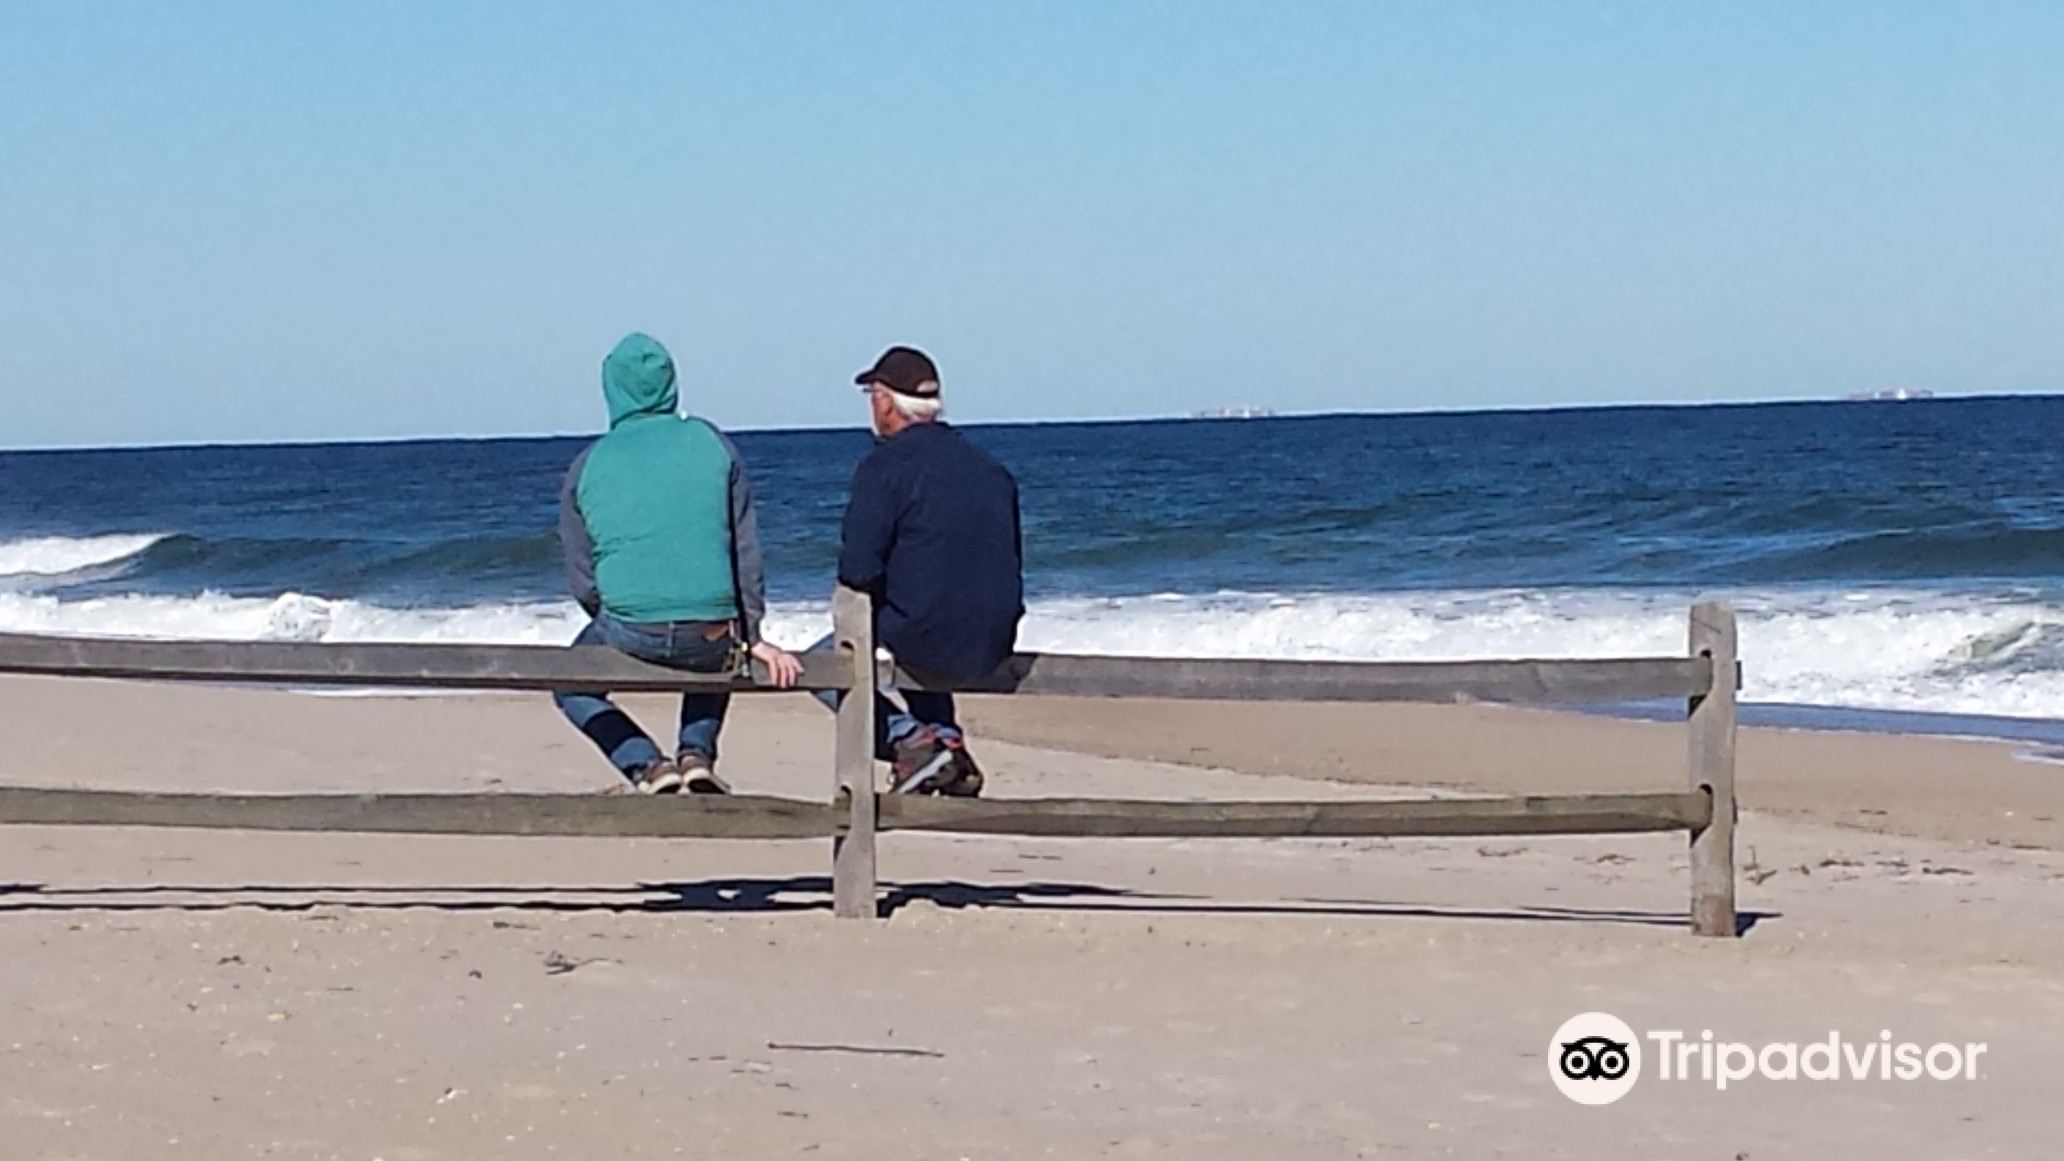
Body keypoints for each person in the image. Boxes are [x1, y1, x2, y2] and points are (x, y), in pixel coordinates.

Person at [554, 332, 802, 795]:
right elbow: (744, 553)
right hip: (711, 633)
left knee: (569, 686)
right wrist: (755, 637)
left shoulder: (588, 464)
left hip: (630, 628)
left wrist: (623, 615)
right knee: (720, 642)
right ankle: (696, 753)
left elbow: (583, 578)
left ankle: (646, 764)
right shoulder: (712, 443)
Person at [821, 345, 1024, 795]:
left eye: (873, 393)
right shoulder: (990, 469)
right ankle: (948, 742)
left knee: (823, 662)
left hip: (927, 634)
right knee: (921, 612)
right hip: (993, 637)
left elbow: (857, 568)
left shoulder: (884, 467)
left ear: (887, 402)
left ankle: (910, 739)